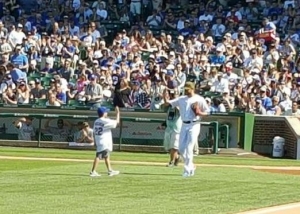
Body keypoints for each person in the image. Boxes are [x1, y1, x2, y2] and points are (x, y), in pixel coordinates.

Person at [163, 82, 210, 177]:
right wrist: (164, 96)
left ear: (192, 89)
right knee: (181, 148)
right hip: (184, 124)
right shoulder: (182, 99)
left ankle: (187, 170)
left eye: (188, 89)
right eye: (185, 89)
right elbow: (168, 103)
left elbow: (208, 111)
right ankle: (191, 166)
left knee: (189, 147)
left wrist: (200, 113)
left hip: (194, 124)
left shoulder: (199, 99)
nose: (186, 91)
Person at [90, 106, 120, 177]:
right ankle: (93, 171)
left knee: (106, 156)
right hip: (104, 141)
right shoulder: (105, 120)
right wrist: (117, 113)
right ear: (104, 113)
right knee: (98, 156)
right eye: (106, 112)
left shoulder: (96, 121)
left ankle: (110, 170)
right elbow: (117, 122)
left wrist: (94, 141)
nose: (107, 113)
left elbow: (94, 132)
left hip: (99, 140)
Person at [163, 89, 181, 167]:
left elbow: (179, 110)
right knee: (169, 146)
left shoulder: (181, 103)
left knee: (174, 146)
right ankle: (177, 157)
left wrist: (175, 102)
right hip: (169, 127)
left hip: (176, 128)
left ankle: (171, 162)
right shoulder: (169, 104)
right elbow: (165, 104)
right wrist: (165, 95)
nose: (173, 96)